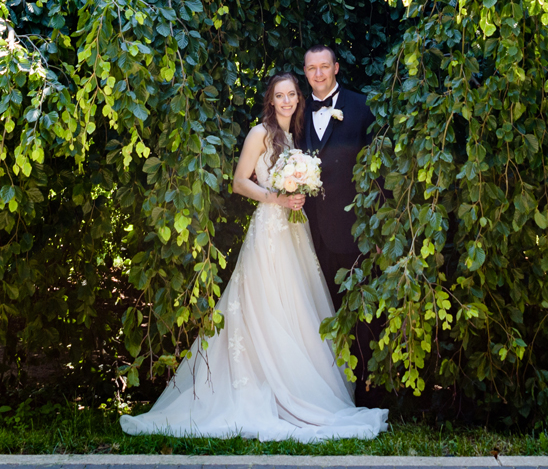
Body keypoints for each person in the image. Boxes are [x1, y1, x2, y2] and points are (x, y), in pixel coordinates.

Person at [119, 71, 387, 442]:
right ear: (271, 100)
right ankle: (262, 385)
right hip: (270, 230)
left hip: (296, 229)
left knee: (297, 304)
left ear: (298, 98)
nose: (287, 100)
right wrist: (276, 198)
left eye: (292, 94)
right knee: (265, 304)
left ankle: (296, 386)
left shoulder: (296, 135)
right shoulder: (260, 133)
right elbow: (240, 181)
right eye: (280, 95)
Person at [300, 43, 376, 391]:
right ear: (305, 72)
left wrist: (373, 226)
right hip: (308, 234)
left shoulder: (361, 107)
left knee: (358, 315)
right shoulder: (297, 112)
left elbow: (379, 174)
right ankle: (326, 390)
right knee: (318, 312)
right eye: (311, 68)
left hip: (353, 232)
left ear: (336, 68)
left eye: (324, 67)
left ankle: (362, 390)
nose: (318, 74)